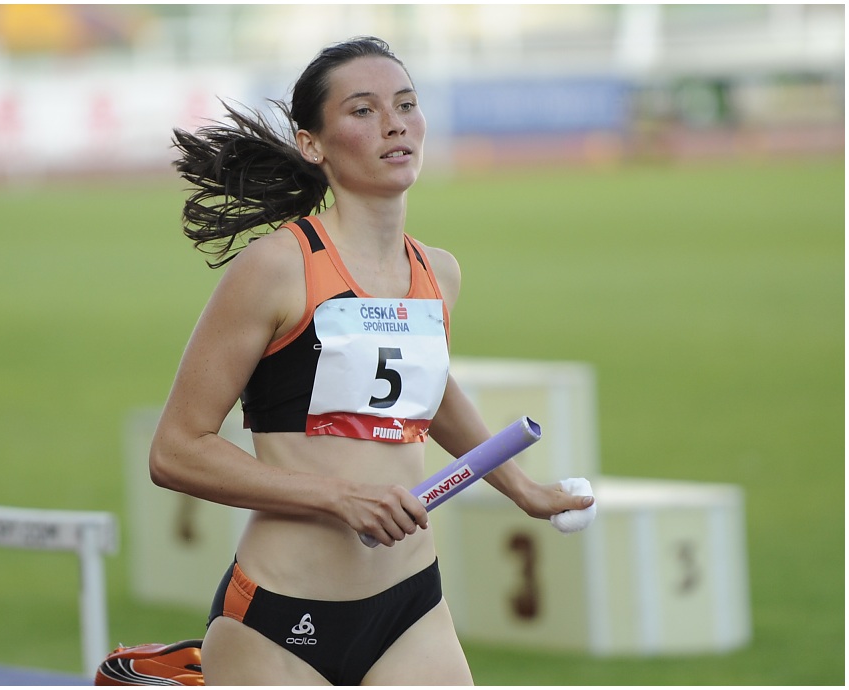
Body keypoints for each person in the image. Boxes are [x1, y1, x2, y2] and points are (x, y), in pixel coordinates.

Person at [149, 36, 594, 686]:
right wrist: (340, 497)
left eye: (406, 105)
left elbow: (427, 391)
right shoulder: (276, 268)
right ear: (313, 145)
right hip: (279, 616)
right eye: (363, 110)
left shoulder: (438, 273)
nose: (394, 123)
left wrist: (522, 489)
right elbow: (175, 451)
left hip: (410, 608)